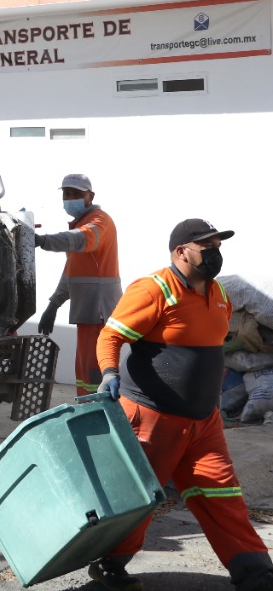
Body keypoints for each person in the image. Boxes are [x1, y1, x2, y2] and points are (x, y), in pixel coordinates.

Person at [89, 219, 273, 591]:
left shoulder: (219, 293)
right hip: (152, 417)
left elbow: (209, 349)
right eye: (207, 246)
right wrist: (109, 374)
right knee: (140, 496)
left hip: (203, 421)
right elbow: (110, 335)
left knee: (222, 492)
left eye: (218, 245)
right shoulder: (154, 288)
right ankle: (110, 566)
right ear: (181, 251)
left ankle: (256, 574)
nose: (215, 252)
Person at [33, 174, 121, 395]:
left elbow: (82, 239)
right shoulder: (81, 224)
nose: (69, 198)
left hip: (98, 314)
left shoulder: (99, 222)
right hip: (88, 314)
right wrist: (53, 305)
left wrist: (42, 241)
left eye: (76, 194)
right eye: (66, 194)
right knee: (85, 375)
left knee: (94, 376)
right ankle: (88, 413)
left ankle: (97, 417)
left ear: (90, 196)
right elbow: (71, 272)